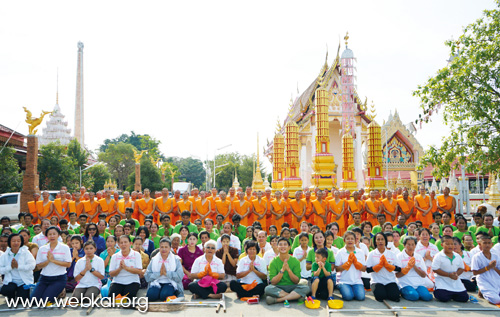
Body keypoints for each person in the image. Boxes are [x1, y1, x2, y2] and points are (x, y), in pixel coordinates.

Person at [265, 237, 309, 305]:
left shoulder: (295, 261)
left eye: (285, 244)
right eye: (280, 244)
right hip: (278, 287)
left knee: (306, 288)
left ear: (289, 247)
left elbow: (296, 281)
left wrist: (288, 270)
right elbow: (273, 282)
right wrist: (282, 270)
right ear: (277, 247)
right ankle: (294, 297)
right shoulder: (273, 262)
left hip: (292, 286)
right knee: (268, 289)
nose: (283, 246)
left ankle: (278, 300)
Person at [32, 226, 71, 303]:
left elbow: (68, 264)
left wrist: (53, 260)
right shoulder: (42, 248)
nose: (52, 236)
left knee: (45, 300)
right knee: (33, 301)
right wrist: (48, 261)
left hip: (59, 278)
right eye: (50, 234)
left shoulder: (64, 247)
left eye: (54, 234)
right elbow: (38, 266)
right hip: (44, 278)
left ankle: (59, 292)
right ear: (47, 236)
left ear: (58, 235)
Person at [366, 232, 402, 302]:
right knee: (380, 297)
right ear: (375, 242)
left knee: (395, 297)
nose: (380, 241)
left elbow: (399, 268)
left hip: (390, 280)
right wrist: (378, 266)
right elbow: (367, 270)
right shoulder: (371, 254)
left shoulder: (391, 254)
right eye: (378, 239)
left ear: (385, 241)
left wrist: (389, 266)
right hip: (377, 281)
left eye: (382, 239)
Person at [431, 235, 468, 302]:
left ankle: (452, 294)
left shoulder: (457, 256)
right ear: (442, 245)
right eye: (447, 244)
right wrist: (448, 275)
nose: (450, 246)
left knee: (464, 298)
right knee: (443, 298)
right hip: (442, 281)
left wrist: (456, 274)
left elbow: (461, 268)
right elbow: (435, 269)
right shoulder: (438, 256)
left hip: (455, 281)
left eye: (452, 244)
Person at [0, 233, 36, 300]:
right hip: (11, 281)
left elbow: (32, 265)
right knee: (6, 290)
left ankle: (19, 294)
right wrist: (10, 267)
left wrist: (18, 266)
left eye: (18, 241)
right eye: (13, 241)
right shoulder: (5, 255)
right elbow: (0, 269)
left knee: (22, 299)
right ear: (9, 242)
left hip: (23, 281)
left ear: (21, 242)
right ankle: (12, 294)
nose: (16, 243)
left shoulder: (26, 252)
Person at [395, 236, 432, 301]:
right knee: (414, 296)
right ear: (404, 245)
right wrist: (407, 267)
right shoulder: (399, 256)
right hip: (405, 283)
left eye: (413, 244)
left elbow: (423, 275)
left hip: (418, 283)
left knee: (427, 297)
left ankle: (418, 293)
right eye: (408, 244)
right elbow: (397, 275)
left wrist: (414, 266)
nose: (411, 247)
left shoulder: (418, 257)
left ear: (415, 246)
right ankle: (403, 292)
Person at [471, 235, 500, 304]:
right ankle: (482, 290)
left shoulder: (496, 256)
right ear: (479, 244)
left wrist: (494, 267)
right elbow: (475, 272)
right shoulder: (477, 257)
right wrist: (488, 267)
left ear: (492, 244)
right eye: (485, 243)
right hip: (484, 280)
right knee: (497, 300)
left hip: (496, 280)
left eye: (489, 243)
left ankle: (482, 293)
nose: (487, 245)